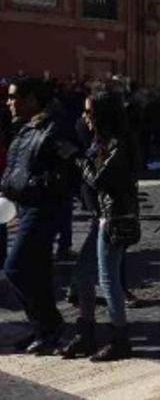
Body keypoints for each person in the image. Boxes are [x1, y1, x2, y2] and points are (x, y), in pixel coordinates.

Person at [2, 77, 79, 354]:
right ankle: (45, 329)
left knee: (15, 267)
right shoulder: (25, 127)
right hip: (24, 206)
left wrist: (29, 185)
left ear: (33, 99)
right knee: (37, 271)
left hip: (43, 209)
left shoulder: (56, 128)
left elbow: (67, 173)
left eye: (14, 97)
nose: (9, 102)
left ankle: (47, 324)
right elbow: (17, 165)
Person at [60, 91, 138, 361]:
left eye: (90, 112)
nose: (85, 117)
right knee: (82, 276)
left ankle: (120, 338)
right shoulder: (100, 141)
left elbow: (99, 180)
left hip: (114, 218)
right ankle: (86, 332)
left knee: (108, 280)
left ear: (103, 115)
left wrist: (77, 159)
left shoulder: (119, 143)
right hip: (100, 216)